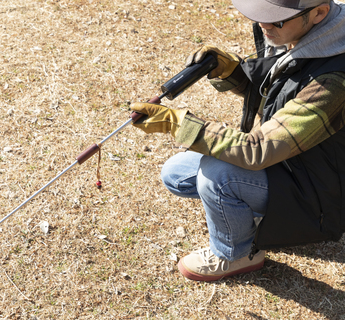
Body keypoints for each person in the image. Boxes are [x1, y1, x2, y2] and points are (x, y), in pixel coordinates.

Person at [130, 0, 345, 282]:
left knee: (219, 176)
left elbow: (257, 151)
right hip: (297, 161)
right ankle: (251, 215)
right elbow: (282, 97)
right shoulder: (317, 37)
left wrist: (179, 124)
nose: (264, 25)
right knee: (178, 173)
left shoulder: (334, 79)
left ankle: (236, 255)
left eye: (277, 20)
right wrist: (233, 73)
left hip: (325, 194)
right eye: (262, 16)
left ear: (318, 13)